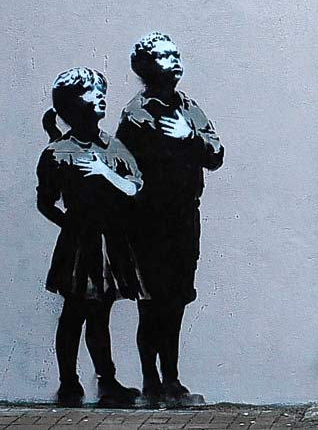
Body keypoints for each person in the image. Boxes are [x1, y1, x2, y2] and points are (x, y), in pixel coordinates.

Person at [116, 32, 224, 403]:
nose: (174, 61)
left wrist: (188, 136)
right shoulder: (137, 114)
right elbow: (129, 167)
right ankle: (152, 382)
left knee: (176, 299)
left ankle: (172, 379)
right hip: (148, 221)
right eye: (164, 56)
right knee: (151, 302)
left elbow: (215, 154)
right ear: (146, 66)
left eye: (175, 54)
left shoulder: (189, 108)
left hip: (184, 217)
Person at [37, 68, 143, 406]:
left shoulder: (114, 147)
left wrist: (105, 172)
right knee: (74, 313)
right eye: (89, 91)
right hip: (80, 245)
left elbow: (134, 187)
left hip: (109, 243)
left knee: (101, 314)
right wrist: (72, 226)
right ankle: (69, 382)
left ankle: (107, 381)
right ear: (71, 104)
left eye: (101, 90)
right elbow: (45, 202)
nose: (100, 96)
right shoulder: (58, 152)